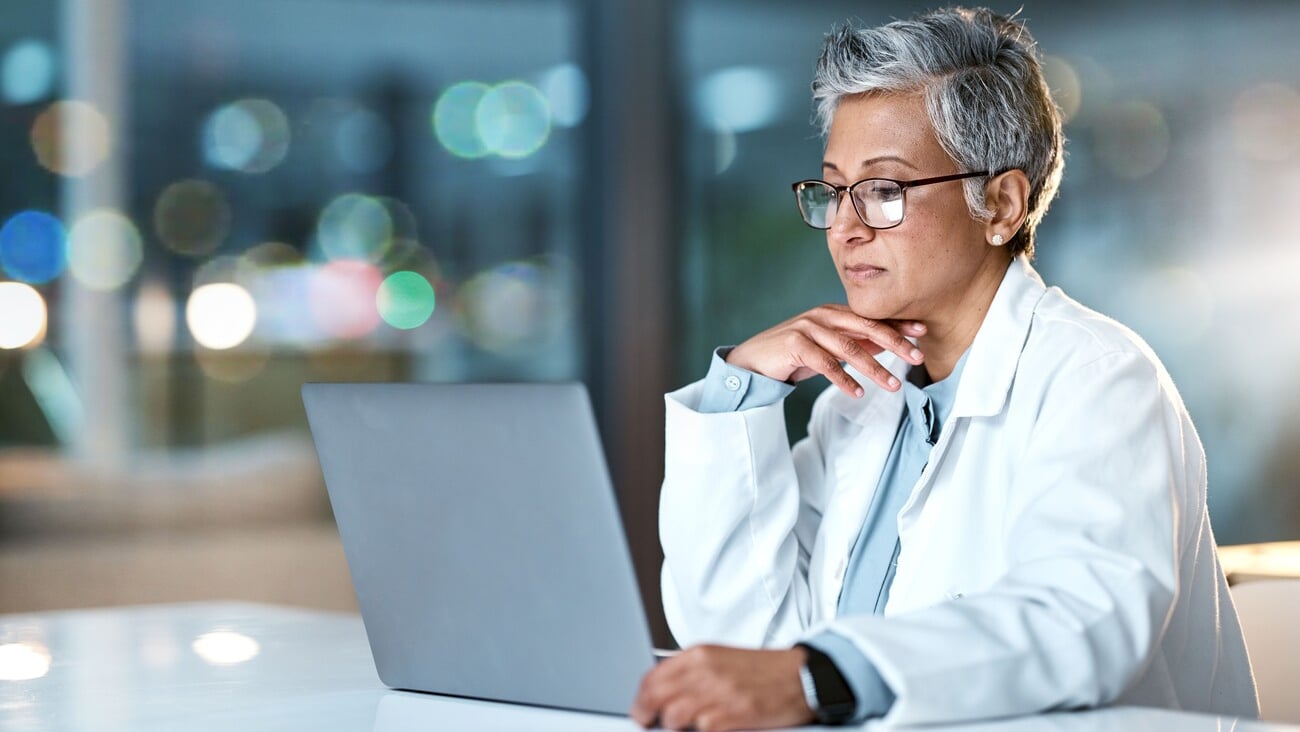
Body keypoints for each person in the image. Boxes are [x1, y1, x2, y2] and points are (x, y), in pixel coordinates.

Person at [630, 7, 1258, 731]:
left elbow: (1080, 623)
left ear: (1001, 203)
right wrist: (741, 384)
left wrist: (823, 675)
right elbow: (741, 644)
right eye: (834, 190)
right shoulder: (859, 401)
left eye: (885, 190)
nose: (845, 225)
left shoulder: (1097, 377)